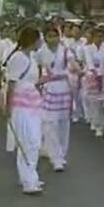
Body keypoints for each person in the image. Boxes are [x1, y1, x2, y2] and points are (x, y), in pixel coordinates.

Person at [4, 25, 43, 194]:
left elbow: (32, 80)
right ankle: (29, 181)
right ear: (32, 40)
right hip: (21, 105)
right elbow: (11, 84)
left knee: (32, 141)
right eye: (39, 38)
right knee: (29, 142)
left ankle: (29, 176)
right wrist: (8, 107)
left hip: (33, 103)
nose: (41, 42)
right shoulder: (18, 58)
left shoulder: (31, 57)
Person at [37, 23, 74, 171]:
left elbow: (72, 63)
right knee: (50, 123)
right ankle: (55, 157)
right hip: (49, 89)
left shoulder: (65, 50)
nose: (53, 39)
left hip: (64, 89)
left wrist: (79, 69)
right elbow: (38, 69)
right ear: (45, 37)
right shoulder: (41, 52)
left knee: (63, 123)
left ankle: (61, 153)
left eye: (55, 36)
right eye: (50, 36)